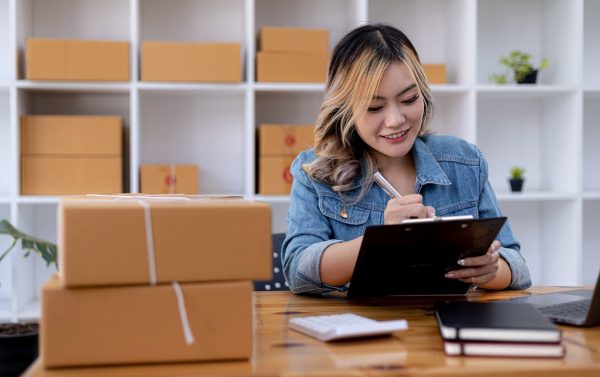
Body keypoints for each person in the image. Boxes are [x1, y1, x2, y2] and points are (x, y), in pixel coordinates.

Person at [281, 24, 531, 295]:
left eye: (409, 99)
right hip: (363, 328)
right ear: (345, 109)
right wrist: (380, 242)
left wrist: (492, 271)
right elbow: (297, 271)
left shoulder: (464, 162)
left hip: (445, 327)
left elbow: (517, 266)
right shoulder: (315, 172)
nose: (396, 120)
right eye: (375, 107)